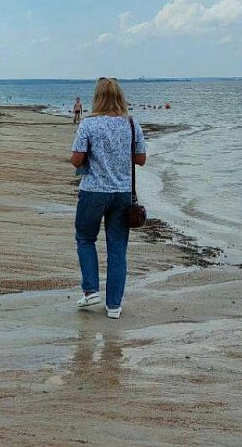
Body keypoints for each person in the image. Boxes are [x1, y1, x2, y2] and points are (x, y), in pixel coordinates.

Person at [68, 78, 147, 319]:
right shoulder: (132, 124)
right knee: (117, 249)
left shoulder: (88, 124)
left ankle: (91, 290)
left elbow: (76, 159)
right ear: (120, 97)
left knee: (85, 238)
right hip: (122, 193)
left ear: (97, 98)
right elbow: (141, 159)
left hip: (93, 190)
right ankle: (114, 305)